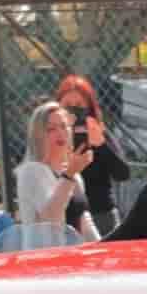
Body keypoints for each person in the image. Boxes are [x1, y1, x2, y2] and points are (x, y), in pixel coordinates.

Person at [55, 75, 130, 231]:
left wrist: (101, 145)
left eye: (79, 105)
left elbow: (123, 174)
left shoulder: (97, 131)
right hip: (66, 216)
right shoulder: (53, 136)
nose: (73, 110)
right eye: (67, 105)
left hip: (101, 213)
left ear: (89, 108)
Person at [17, 99, 95, 236]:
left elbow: (86, 224)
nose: (60, 133)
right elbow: (51, 220)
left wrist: (102, 249)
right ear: (37, 136)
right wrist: (69, 175)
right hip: (44, 256)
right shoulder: (31, 171)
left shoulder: (74, 175)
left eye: (64, 126)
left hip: (75, 254)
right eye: (51, 129)